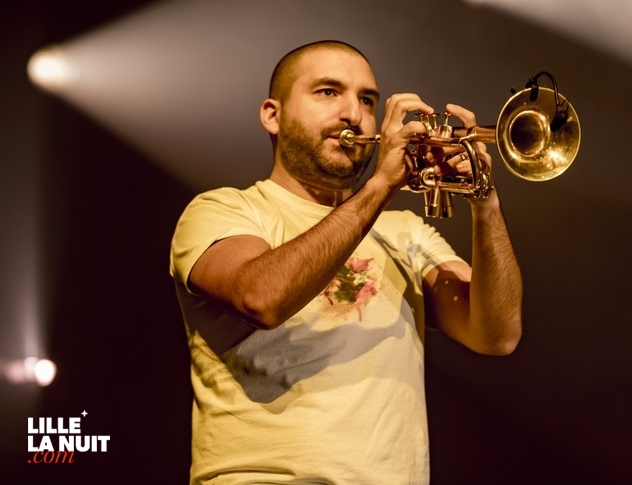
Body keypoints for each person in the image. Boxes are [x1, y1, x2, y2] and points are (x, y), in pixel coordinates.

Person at [169, 40, 523, 484]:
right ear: (272, 115)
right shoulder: (224, 210)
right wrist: (381, 186)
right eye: (327, 92)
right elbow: (261, 298)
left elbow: (497, 334)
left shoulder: (403, 232)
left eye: (367, 100)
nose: (353, 113)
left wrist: (484, 200)